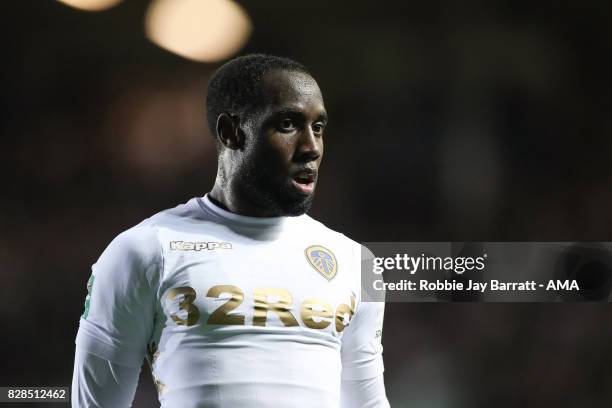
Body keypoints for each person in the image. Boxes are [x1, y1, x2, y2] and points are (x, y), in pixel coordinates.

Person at [72, 54, 389, 408]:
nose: (311, 147)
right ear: (231, 132)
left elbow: (368, 403)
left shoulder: (354, 261)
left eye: (318, 127)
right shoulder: (146, 250)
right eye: (288, 124)